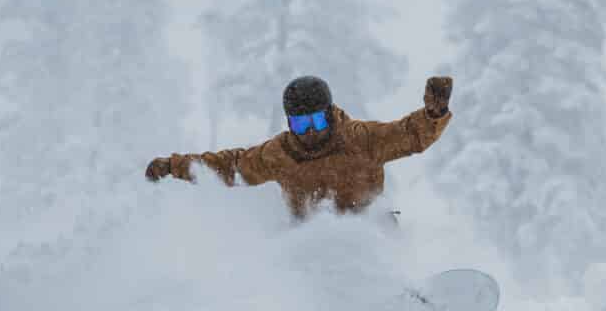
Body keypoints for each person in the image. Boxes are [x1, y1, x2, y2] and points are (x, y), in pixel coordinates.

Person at [145, 75, 453, 219]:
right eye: (300, 124)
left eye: (316, 121)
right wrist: (174, 166)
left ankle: (406, 304)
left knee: (379, 230)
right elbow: (230, 166)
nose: (308, 133)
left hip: (368, 229)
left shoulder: (360, 139)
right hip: (312, 242)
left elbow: (408, 136)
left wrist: (433, 115)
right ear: (289, 123)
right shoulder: (280, 153)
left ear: (330, 114)